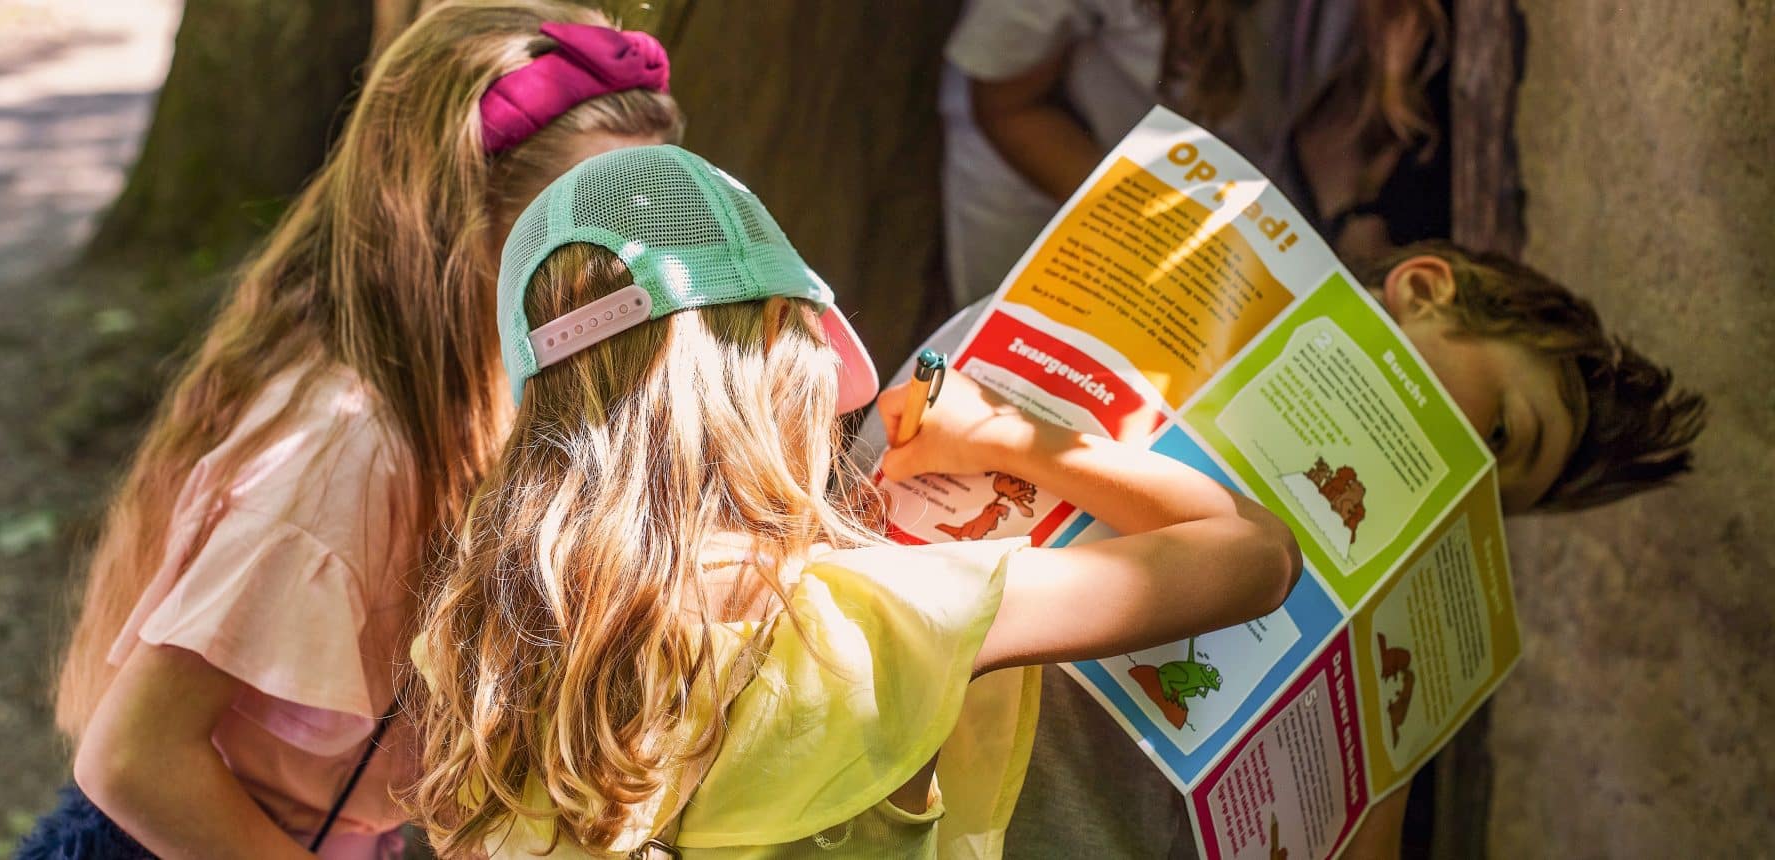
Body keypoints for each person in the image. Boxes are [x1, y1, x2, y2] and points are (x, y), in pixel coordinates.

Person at [404, 144, 1302, 858]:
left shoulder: (482, 639)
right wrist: (1003, 435)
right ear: (785, 367)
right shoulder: (861, 624)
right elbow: (1260, 556)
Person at [18, 3, 682, 857]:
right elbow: (134, 760)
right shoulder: (348, 448)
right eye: (593, 231)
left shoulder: (480, 383)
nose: (641, 266)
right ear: (459, 226)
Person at [852, 241, 1707, 858]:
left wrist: (1391, 746)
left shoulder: (1381, 640)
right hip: (866, 759)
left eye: (1485, 502)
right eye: (1496, 432)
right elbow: (876, 483)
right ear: (1423, 288)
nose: (1459, 477)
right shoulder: (1146, 337)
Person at [940, 0, 1451, 305]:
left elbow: (1328, 98)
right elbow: (1008, 108)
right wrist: (1186, 244)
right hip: (1056, 175)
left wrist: (1355, 219)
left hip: (1226, 175)